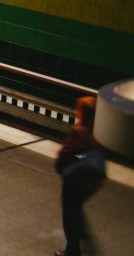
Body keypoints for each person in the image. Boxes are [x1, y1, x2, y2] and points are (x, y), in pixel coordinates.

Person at [54, 96, 105, 256]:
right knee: (76, 210)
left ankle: (72, 250)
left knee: (70, 213)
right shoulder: (98, 131)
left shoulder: (79, 130)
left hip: (74, 179)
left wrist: (60, 166)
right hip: (93, 180)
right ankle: (86, 243)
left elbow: (64, 154)